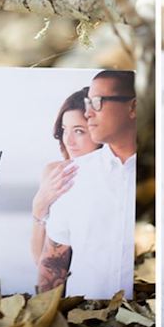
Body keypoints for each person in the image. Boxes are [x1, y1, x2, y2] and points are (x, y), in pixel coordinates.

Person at [37, 70, 137, 298]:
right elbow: (52, 264)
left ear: (133, 107)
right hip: (84, 322)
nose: (89, 113)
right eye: (87, 103)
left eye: (98, 102)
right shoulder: (73, 176)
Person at [31, 88, 101, 265]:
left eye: (78, 131)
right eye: (64, 130)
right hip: (59, 280)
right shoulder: (54, 172)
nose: (68, 140)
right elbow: (39, 261)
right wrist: (39, 207)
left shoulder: (115, 174)